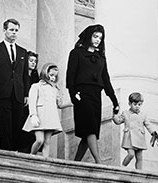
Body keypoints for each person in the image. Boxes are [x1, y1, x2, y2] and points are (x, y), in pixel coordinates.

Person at [66, 24, 120, 164]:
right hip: (82, 95)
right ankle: (99, 161)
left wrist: (115, 101)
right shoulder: (76, 53)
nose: (97, 40)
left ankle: (76, 162)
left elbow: (106, 79)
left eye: (100, 38)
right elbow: (70, 76)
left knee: (89, 132)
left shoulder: (101, 57)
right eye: (95, 36)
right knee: (90, 129)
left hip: (96, 96)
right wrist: (73, 95)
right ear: (89, 35)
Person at [0, 18, 29, 151]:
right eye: (11, 30)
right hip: (1, 94)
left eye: (16, 30)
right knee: (4, 126)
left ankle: (16, 154)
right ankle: (6, 154)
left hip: (18, 95)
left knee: (17, 126)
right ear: (4, 30)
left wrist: (26, 94)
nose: (14, 33)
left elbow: (24, 75)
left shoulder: (23, 52)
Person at [22, 63, 63, 157]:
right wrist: (33, 115)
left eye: (55, 76)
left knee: (47, 141)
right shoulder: (36, 86)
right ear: (45, 73)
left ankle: (45, 161)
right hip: (39, 116)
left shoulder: (54, 89)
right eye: (51, 75)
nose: (53, 78)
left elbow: (59, 104)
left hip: (51, 116)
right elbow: (32, 101)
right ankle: (32, 157)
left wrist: (59, 94)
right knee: (40, 140)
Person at [112, 92, 158, 169]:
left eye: (139, 104)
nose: (137, 107)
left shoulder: (143, 115)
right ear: (129, 104)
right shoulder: (125, 113)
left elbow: (148, 125)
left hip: (139, 138)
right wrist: (115, 115)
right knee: (131, 154)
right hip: (129, 138)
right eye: (135, 104)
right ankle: (122, 167)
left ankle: (139, 172)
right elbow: (118, 121)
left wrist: (153, 132)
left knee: (139, 157)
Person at [18, 51, 40, 153]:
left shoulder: (36, 76)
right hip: (23, 105)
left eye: (35, 61)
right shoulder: (21, 75)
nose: (33, 63)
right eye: (31, 61)